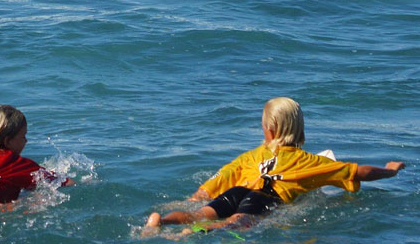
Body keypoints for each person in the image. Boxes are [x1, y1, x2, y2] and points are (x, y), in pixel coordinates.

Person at [143, 97, 405, 236]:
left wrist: (198, 195)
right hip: (266, 197)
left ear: (268, 130)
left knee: (201, 213)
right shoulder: (310, 162)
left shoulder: (250, 156)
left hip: (235, 192)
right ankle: (195, 233)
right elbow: (358, 172)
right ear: (299, 129)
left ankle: (162, 221)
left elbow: (218, 179)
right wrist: (390, 170)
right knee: (239, 222)